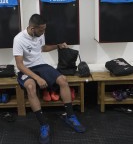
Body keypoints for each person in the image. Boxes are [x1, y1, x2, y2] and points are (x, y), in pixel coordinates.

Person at [13, 14, 86, 144]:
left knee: (63, 80)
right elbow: (20, 65)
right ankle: (43, 125)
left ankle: (70, 116)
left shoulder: (39, 34)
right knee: (30, 87)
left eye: (44, 29)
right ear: (32, 28)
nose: (43, 32)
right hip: (26, 69)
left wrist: (58, 46)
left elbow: (42, 48)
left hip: (41, 65)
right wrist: (37, 78)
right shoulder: (18, 39)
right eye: (41, 29)